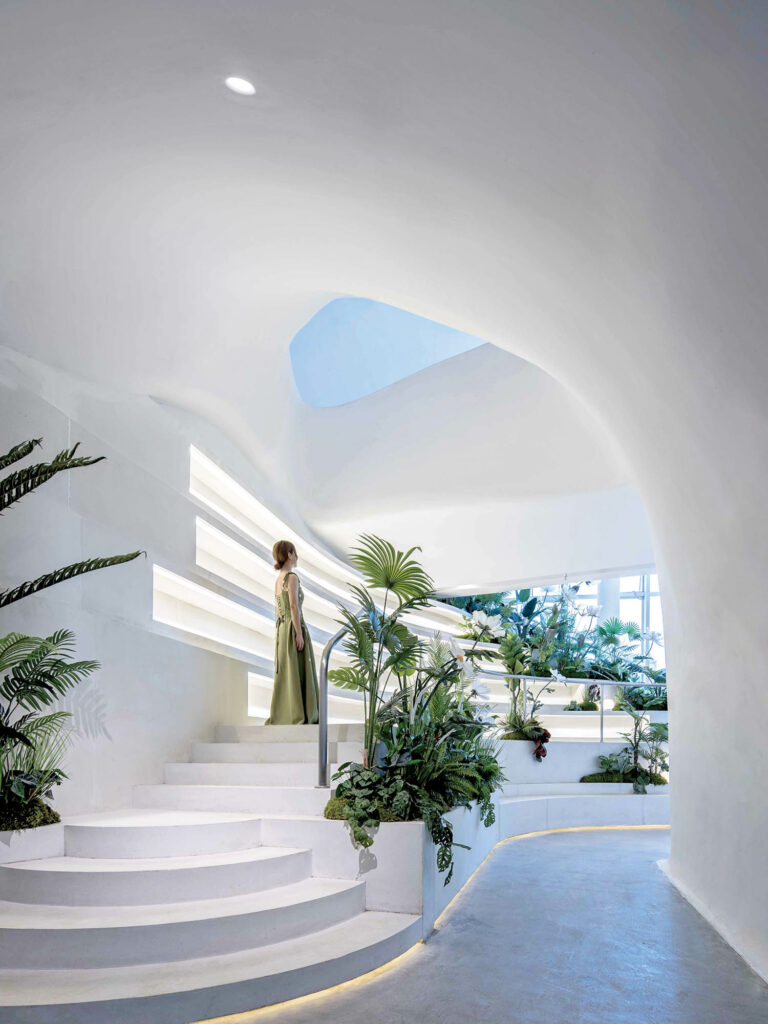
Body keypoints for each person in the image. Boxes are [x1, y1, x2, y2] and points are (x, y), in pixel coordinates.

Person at [266, 539, 319, 725]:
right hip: (292, 626)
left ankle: (284, 714)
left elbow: (279, 611)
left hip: (281, 629)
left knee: (286, 672)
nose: (297, 556)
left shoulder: (278, 580)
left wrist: (282, 632)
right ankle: (301, 714)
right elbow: (294, 607)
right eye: (294, 552)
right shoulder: (292, 577)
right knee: (298, 669)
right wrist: (298, 633)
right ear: (289, 554)